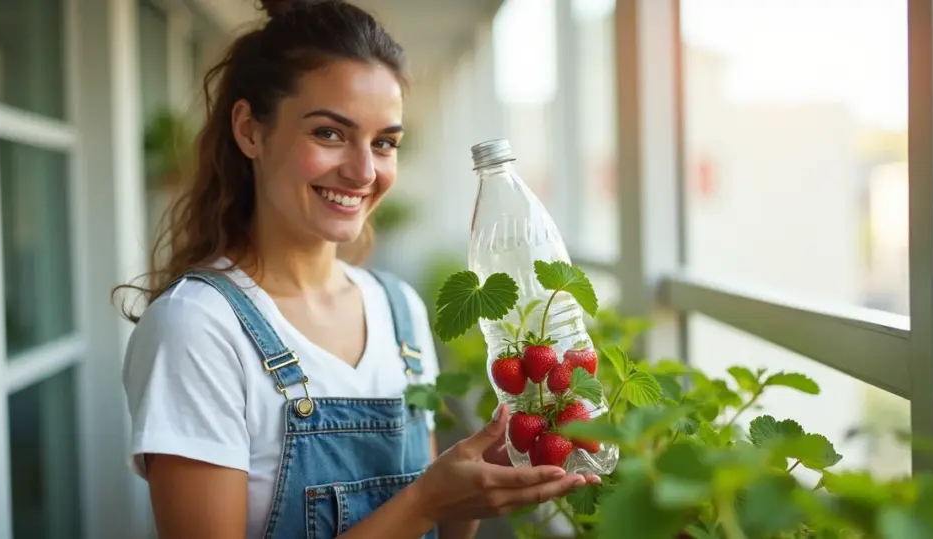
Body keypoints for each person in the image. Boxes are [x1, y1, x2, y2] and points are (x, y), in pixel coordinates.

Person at [116, 1, 599, 538]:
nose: (363, 171)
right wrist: (424, 501)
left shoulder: (399, 309)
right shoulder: (199, 328)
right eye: (329, 133)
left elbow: (434, 525)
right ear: (250, 130)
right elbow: (419, 509)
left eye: (384, 142)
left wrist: (468, 496)